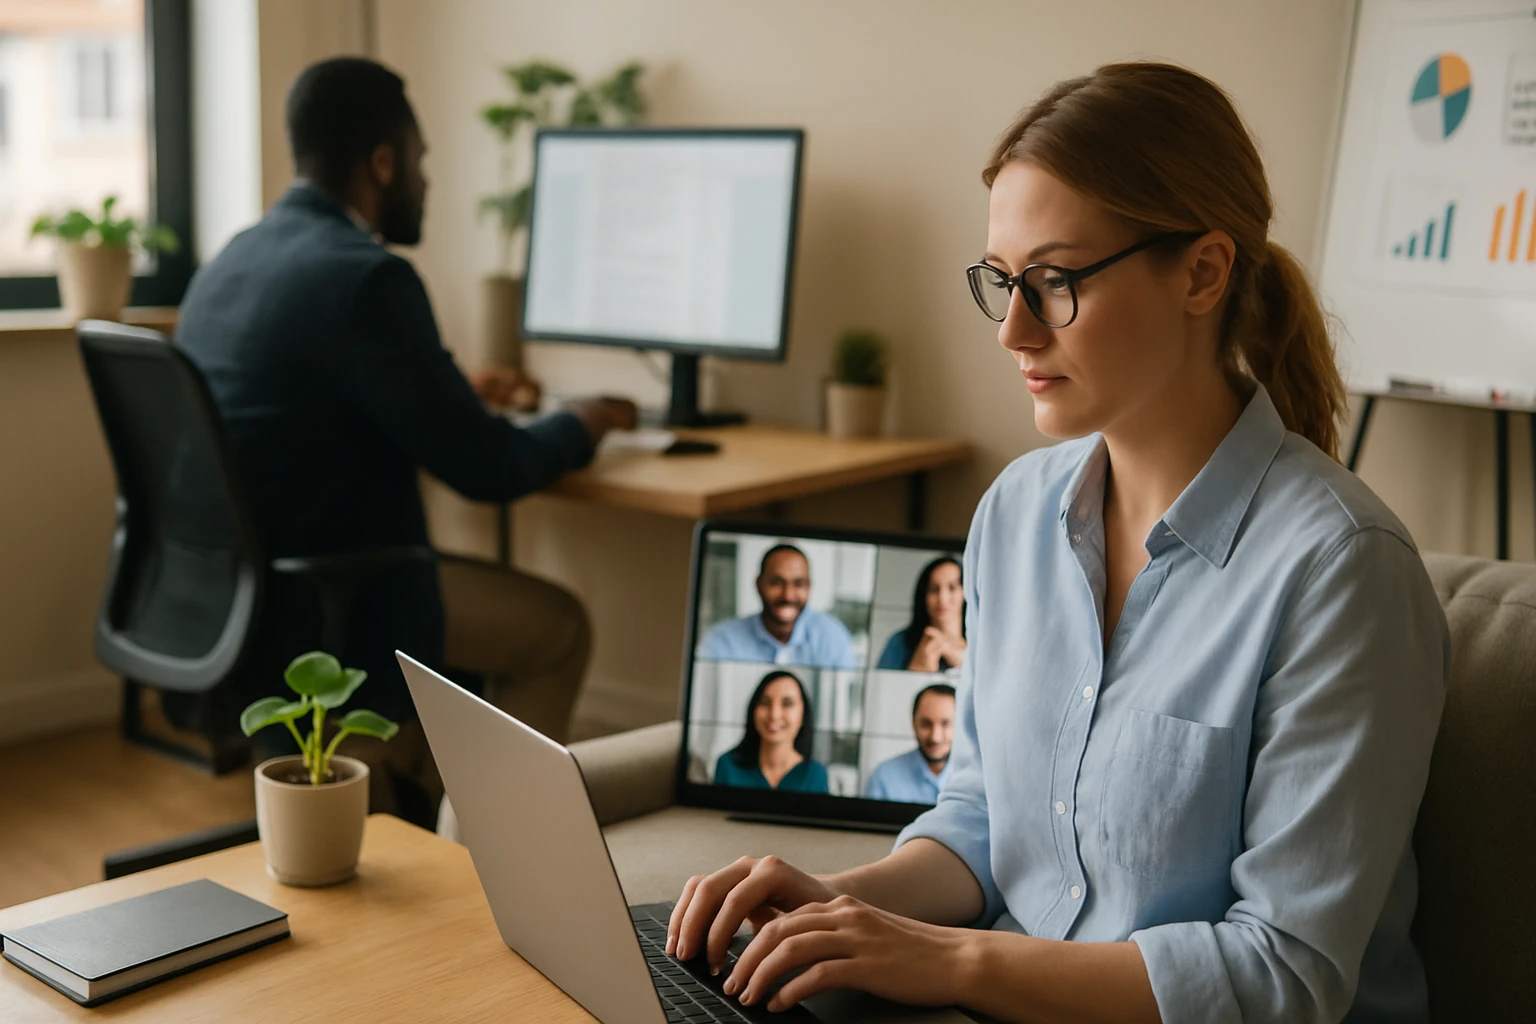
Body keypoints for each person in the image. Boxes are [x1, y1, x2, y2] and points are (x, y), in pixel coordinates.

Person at [664, 62, 1448, 1023]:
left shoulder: (1342, 569)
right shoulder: (1016, 513)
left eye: (1056, 280)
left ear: (1203, 271)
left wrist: (951, 964)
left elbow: (1283, 975)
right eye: (1003, 282)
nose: (1014, 331)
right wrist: (834, 905)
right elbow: (983, 821)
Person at [175, 57, 637, 822]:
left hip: (232, 598)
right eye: (420, 162)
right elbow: (491, 468)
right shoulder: (367, 278)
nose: (426, 181)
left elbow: (323, 407)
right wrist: (581, 421)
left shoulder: (232, 260)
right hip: (332, 606)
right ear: (382, 162)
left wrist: (456, 389)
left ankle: (415, 787)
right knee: (559, 628)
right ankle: (494, 863)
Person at [697, 545, 858, 669]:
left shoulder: (833, 637)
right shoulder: (721, 641)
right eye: (776, 583)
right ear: (759, 584)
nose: (788, 595)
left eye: (799, 584)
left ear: (809, 588)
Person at [712, 671, 830, 793]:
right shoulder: (728, 766)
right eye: (765, 702)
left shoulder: (816, 775)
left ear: (803, 715)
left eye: (787, 704)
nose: (774, 715)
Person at [863, 684, 955, 804]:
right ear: (913, 723)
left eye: (945, 724)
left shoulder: (980, 779)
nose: (935, 737)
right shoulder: (884, 777)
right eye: (926, 724)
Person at [875, 556, 966, 672]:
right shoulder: (900, 643)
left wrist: (964, 664)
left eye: (952, 588)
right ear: (924, 595)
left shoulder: (980, 645)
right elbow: (881, 687)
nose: (942, 598)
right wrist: (915, 672)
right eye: (934, 589)